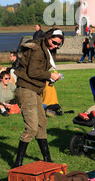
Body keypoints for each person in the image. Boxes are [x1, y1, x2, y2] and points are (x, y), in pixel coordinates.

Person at [12, 28, 64, 168]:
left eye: (58, 45)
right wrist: (49, 76)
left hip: (34, 90)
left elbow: (36, 72)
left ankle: (47, 160)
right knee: (31, 128)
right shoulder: (38, 50)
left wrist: (50, 78)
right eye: (53, 42)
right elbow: (33, 71)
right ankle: (17, 164)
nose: (55, 46)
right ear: (48, 37)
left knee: (42, 124)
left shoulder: (45, 49)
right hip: (25, 89)